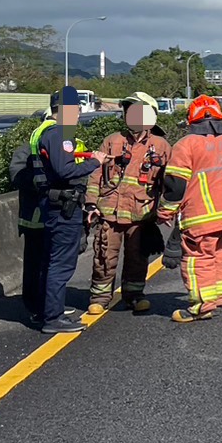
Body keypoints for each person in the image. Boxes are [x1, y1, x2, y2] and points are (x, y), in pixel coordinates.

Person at [158, 95, 222, 323]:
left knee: (198, 259)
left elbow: (175, 186)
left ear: (191, 119)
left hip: (201, 217)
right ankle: (218, 298)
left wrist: (165, 211)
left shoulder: (186, 145)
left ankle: (202, 306)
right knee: (219, 257)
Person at [85, 92, 171, 315]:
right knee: (104, 255)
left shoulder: (161, 146)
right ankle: (100, 297)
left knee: (137, 257)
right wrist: (91, 204)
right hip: (109, 212)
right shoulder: (112, 141)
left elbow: (169, 181)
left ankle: (134, 295)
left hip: (141, 215)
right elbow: (96, 175)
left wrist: (166, 210)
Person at [35, 86, 110, 334]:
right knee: (61, 265)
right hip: (63, 208)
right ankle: (53, 318)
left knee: (51, 262)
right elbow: (65, 170)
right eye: (77, 109)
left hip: (54, 205)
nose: (79, 114)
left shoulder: (48, 133)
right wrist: (94, 162)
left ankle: (48, 312)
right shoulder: (61, 134)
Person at [10, 94, 59, 323]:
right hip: (34, 218)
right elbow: (17, 175)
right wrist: (43, 179)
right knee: (35, 264)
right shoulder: (27, 149)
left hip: (55, 216)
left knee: (53, 263)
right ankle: (35, 307)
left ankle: (50, 305)